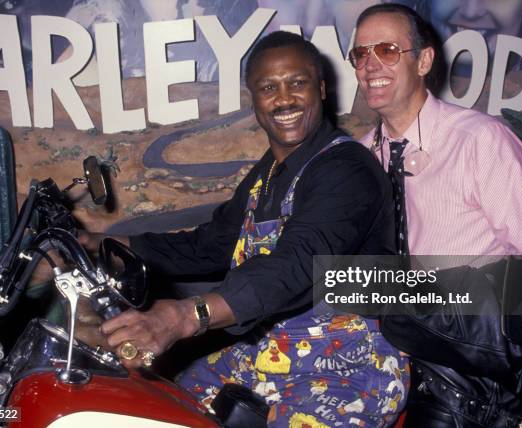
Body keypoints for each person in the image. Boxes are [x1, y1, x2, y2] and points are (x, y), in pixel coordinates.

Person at [84, 31, 409, 427]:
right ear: (253, 98)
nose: (284, 99)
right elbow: (211, 244)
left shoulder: (347, 170)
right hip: (277, 350)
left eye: (297, 83)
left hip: (348, 368)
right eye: (268, 87)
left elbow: (294, 266)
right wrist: (101, 243)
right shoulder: (267, 174)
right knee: (169, 404)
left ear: (322, 89)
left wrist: (184, 317)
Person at [350, 3, 522, 426]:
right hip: (382, 372)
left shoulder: (480, 140)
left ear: (424, 60)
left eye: (388, 49)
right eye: (360, 53)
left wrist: (443, 302)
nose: (370, 63)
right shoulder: (354, 160)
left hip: (473, 385)